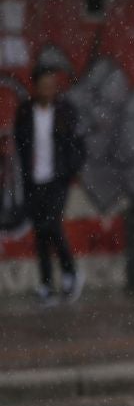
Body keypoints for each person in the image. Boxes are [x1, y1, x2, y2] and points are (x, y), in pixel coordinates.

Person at [14, 65, 86, 306]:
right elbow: (20, 146)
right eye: (44, 85)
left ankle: (71, 272)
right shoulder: (25, 112)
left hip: (58, 180)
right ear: (35, 86)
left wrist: (70, 169)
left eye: (52, 85)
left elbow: (78, 144)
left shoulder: (65, 112)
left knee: (52, 224)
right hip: (34, 181)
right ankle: (46, 284)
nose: (48, 89)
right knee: (40, 232)